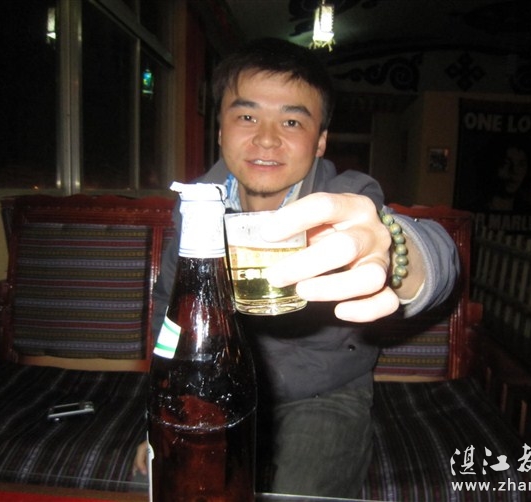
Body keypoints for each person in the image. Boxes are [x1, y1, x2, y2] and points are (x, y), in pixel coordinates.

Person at [134, 37, 459, 498]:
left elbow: (434, 252)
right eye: (247, 116)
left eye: (291, 121)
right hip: (216, 393)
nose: (266, 138)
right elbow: (169, 314)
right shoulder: (197, 210)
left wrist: (396, 254)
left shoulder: (347, 197)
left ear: (320, 140)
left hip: (324, 395)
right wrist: (160, 416)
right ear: (221, 131)